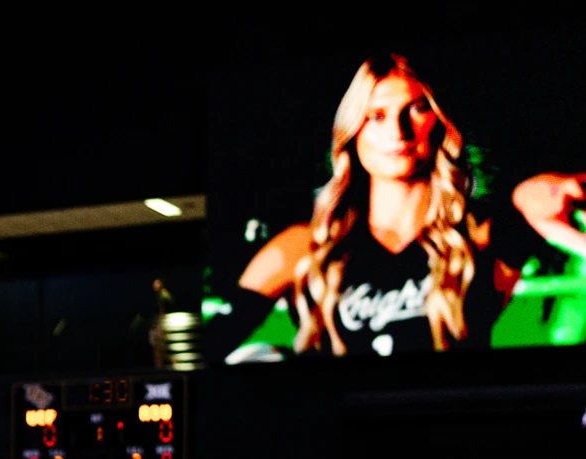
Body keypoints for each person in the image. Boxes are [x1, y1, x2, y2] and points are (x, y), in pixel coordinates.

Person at [232, 54, 586, 360]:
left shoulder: (478, 242)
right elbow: (213, 346)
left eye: (417, 109)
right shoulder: (301, 249)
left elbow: (529, 207)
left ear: (440, 122)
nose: (397, 131)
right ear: (352, 131)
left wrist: (529, 196)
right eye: (376, 116)